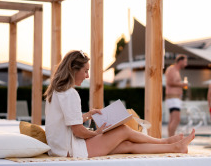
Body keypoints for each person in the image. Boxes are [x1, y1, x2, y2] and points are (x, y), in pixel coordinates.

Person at [44, 50, 195, 158]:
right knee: (123, 130)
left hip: (61, 148)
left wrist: (86, 116)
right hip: (71, 150)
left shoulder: (56, 92)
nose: (87, 76)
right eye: (85, 71)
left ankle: (174, 146)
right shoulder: (70, 94)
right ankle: (165, 141)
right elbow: (78, 131)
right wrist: (96, 133)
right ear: (73, 69)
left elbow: (67, 122)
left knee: (127, 146)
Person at [164, 54, 188, 137]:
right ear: (180, 61)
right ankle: (171, 140)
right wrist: (182, 84)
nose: (186, 64)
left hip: (175, 98)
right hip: (172, 98)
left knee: (172, 119)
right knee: (176, 119)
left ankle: (170, 139)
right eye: (185, 62)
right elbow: (169, 82)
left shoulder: (177, 71)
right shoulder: (171, 69)